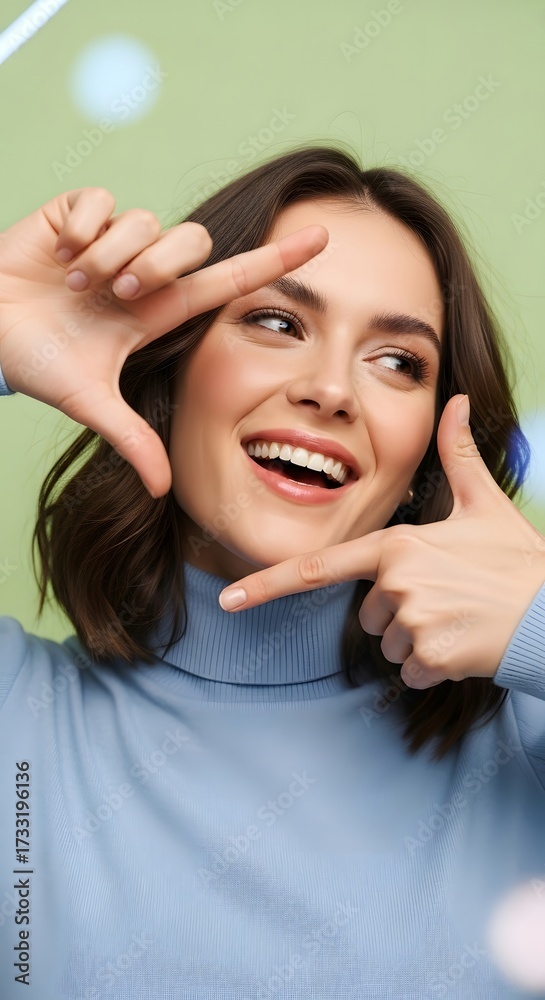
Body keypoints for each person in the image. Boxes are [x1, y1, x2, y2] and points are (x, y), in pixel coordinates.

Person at [0, 145, 544, 999]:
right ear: (166, 371)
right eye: (277, 323)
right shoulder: (16, 727)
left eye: (398, 362)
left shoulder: (524, 749)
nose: (330, 390)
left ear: (424, 464)